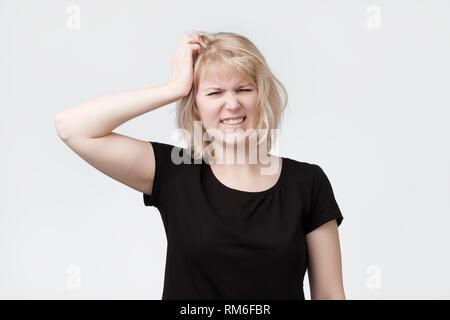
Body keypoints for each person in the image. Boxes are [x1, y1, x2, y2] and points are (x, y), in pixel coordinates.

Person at [55, 31, 345, 300]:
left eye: (243, 89)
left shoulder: (307, 183)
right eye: (214, 93)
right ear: (195, 105)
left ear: (261, 95)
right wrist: (172, 88)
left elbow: (330, 296)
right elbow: (72, 127)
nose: (231, 104)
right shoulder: (174, 173)